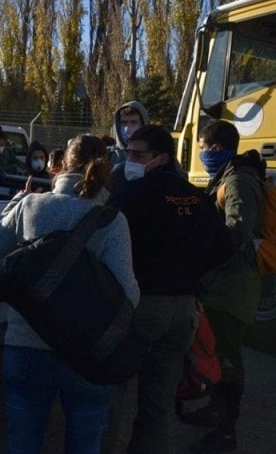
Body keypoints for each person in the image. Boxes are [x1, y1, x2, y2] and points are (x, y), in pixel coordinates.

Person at [0, 134, 139, 454]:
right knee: (85, 443)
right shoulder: (112, 220)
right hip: (84, 353)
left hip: (25, 348)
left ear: (61, 164)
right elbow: (129, 295)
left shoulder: (31, 206)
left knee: (23, 444)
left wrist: (16, 201)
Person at [102, 125, 232, 454]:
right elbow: (225, 248)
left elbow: (100, 238)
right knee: (157, 403)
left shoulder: (132, 196)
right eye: (127, 153)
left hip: (141, 305)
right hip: (183, 311)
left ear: (160, 157)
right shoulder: (196, 196)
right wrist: (192, 273)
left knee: (111, 395)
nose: (128, 160)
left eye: (136, 155)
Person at [180, 120, 266, 454]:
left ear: (216, 148)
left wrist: (203, 250)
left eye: (202, 148)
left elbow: (237, 231)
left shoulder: (239, 181)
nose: (202, 154)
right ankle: (216, 411)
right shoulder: (231, 176)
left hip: (233, 285)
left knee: (228, 359)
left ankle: (226, 431)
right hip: (224, 283)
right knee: (217, 352)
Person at [108, 101, 149, 167]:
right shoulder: (108, 154)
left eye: (133, 122)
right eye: (124, 122)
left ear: (143, 124)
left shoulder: (153, 156)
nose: (127, 128)